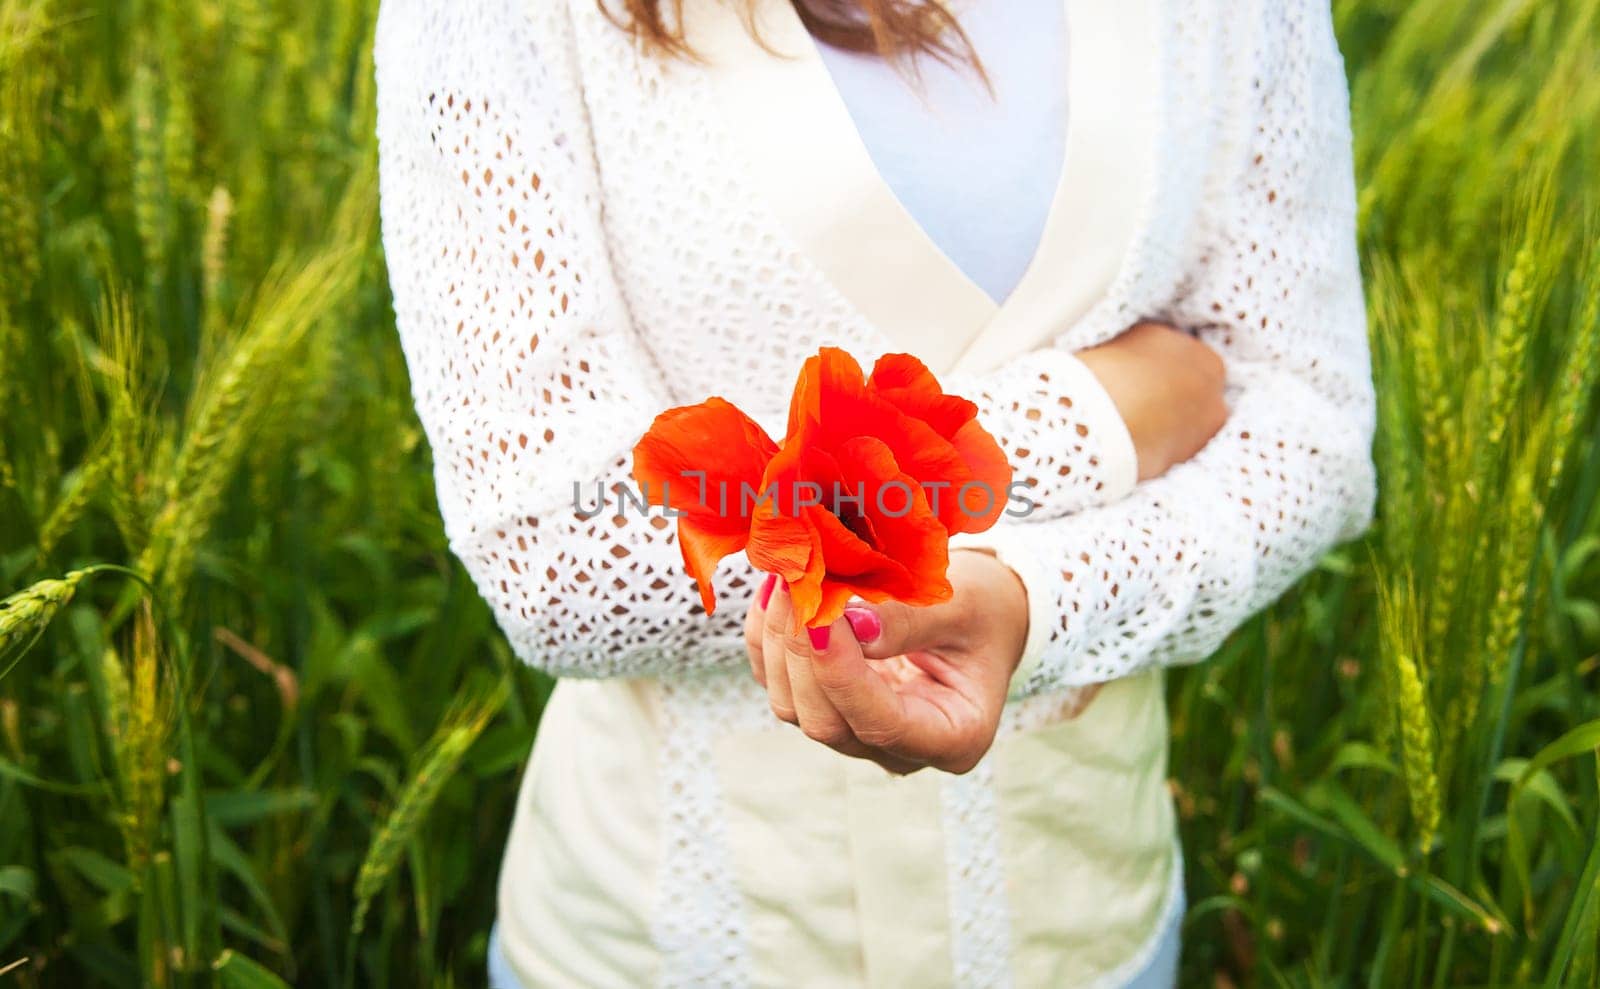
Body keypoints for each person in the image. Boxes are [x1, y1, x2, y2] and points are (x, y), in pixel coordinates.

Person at [372, 0, 1375, 984]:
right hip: (667, 940)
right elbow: (556, 551)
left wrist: (1039, 603)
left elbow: (1311, 431)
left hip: (1080, 923)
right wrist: (1094, 419)